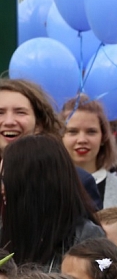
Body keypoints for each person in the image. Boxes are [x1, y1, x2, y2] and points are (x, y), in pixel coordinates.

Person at [0, 134, 104, 271]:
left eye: (5, 180)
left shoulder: (86, 239)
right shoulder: (5, 231)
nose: (2, 189)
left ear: (32, 185)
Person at [0, 79, 102, 209]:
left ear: (39, 123)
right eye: (0, 113)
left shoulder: (75, 182)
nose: (9, 121)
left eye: (20, 112)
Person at [61, 96, 117, 231]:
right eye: (73, 131)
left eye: (91, 132)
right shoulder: (49, 184)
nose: (82, 139)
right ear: (60, 136)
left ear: (104, 137)